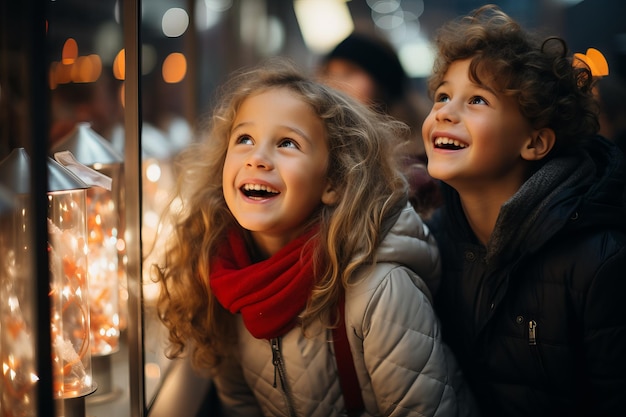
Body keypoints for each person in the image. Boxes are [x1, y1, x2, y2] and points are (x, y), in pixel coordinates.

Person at [154, 59, 479, 416]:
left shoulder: (381, 290)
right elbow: (240, 406)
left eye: (287, 143)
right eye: (244, 138)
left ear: (332, 183)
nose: (258, 158)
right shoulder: (222, 282)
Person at [421, 5, 626, 417]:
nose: (444, 111)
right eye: (443, 96)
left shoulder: (599, 262)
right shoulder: (431, 244)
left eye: (476, 100)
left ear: (534, 143)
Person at [318, 32, 441, 218]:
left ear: (383, 82)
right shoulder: (319, 143)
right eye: (328, 73)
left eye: (349, 73)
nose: (334, 84)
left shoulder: (422, 162)